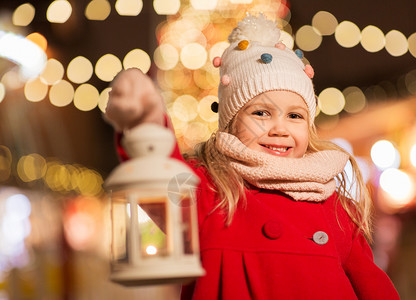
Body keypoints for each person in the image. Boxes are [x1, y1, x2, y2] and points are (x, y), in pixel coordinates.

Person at [105, 14, 400, 300]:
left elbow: (373, 287)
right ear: (231, 122)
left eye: (295, 115)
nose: (280, 128)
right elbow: (159, 175)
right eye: (261, 113)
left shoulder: (334, 206)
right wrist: (145, 120)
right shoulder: (210, 193)